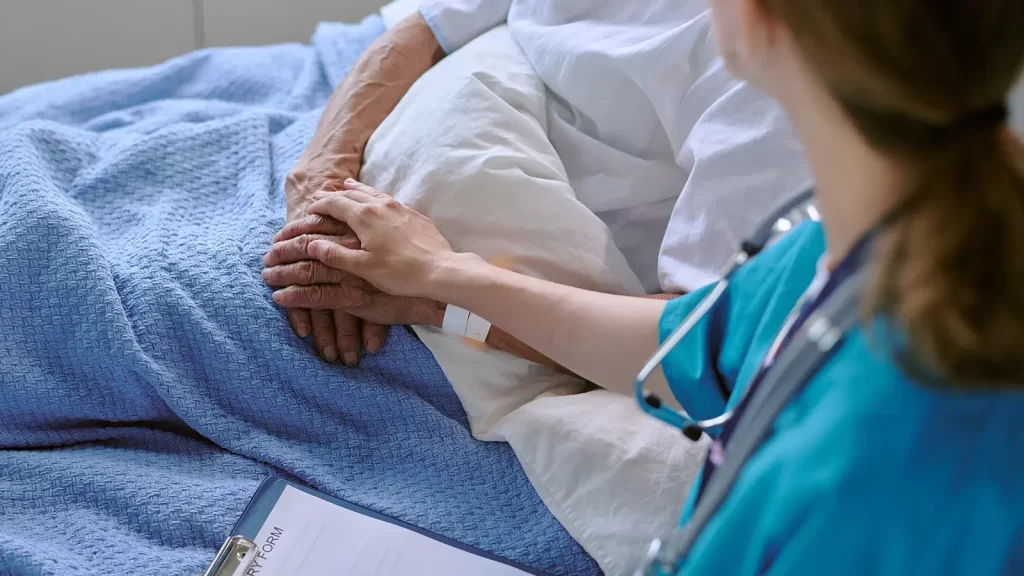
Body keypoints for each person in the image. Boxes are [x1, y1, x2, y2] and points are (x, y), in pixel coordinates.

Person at [264, 0, 1024, 571]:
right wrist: (439, 279)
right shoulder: (840, 246)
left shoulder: (857, 478)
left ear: (762, 24)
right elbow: (683, 346)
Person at [273, 0, 809, 367]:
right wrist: (320, 184)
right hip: (362, 174)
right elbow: (429, 24)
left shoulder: (778, 88)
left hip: (504, 304)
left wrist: (434, 294)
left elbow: (692, 346)